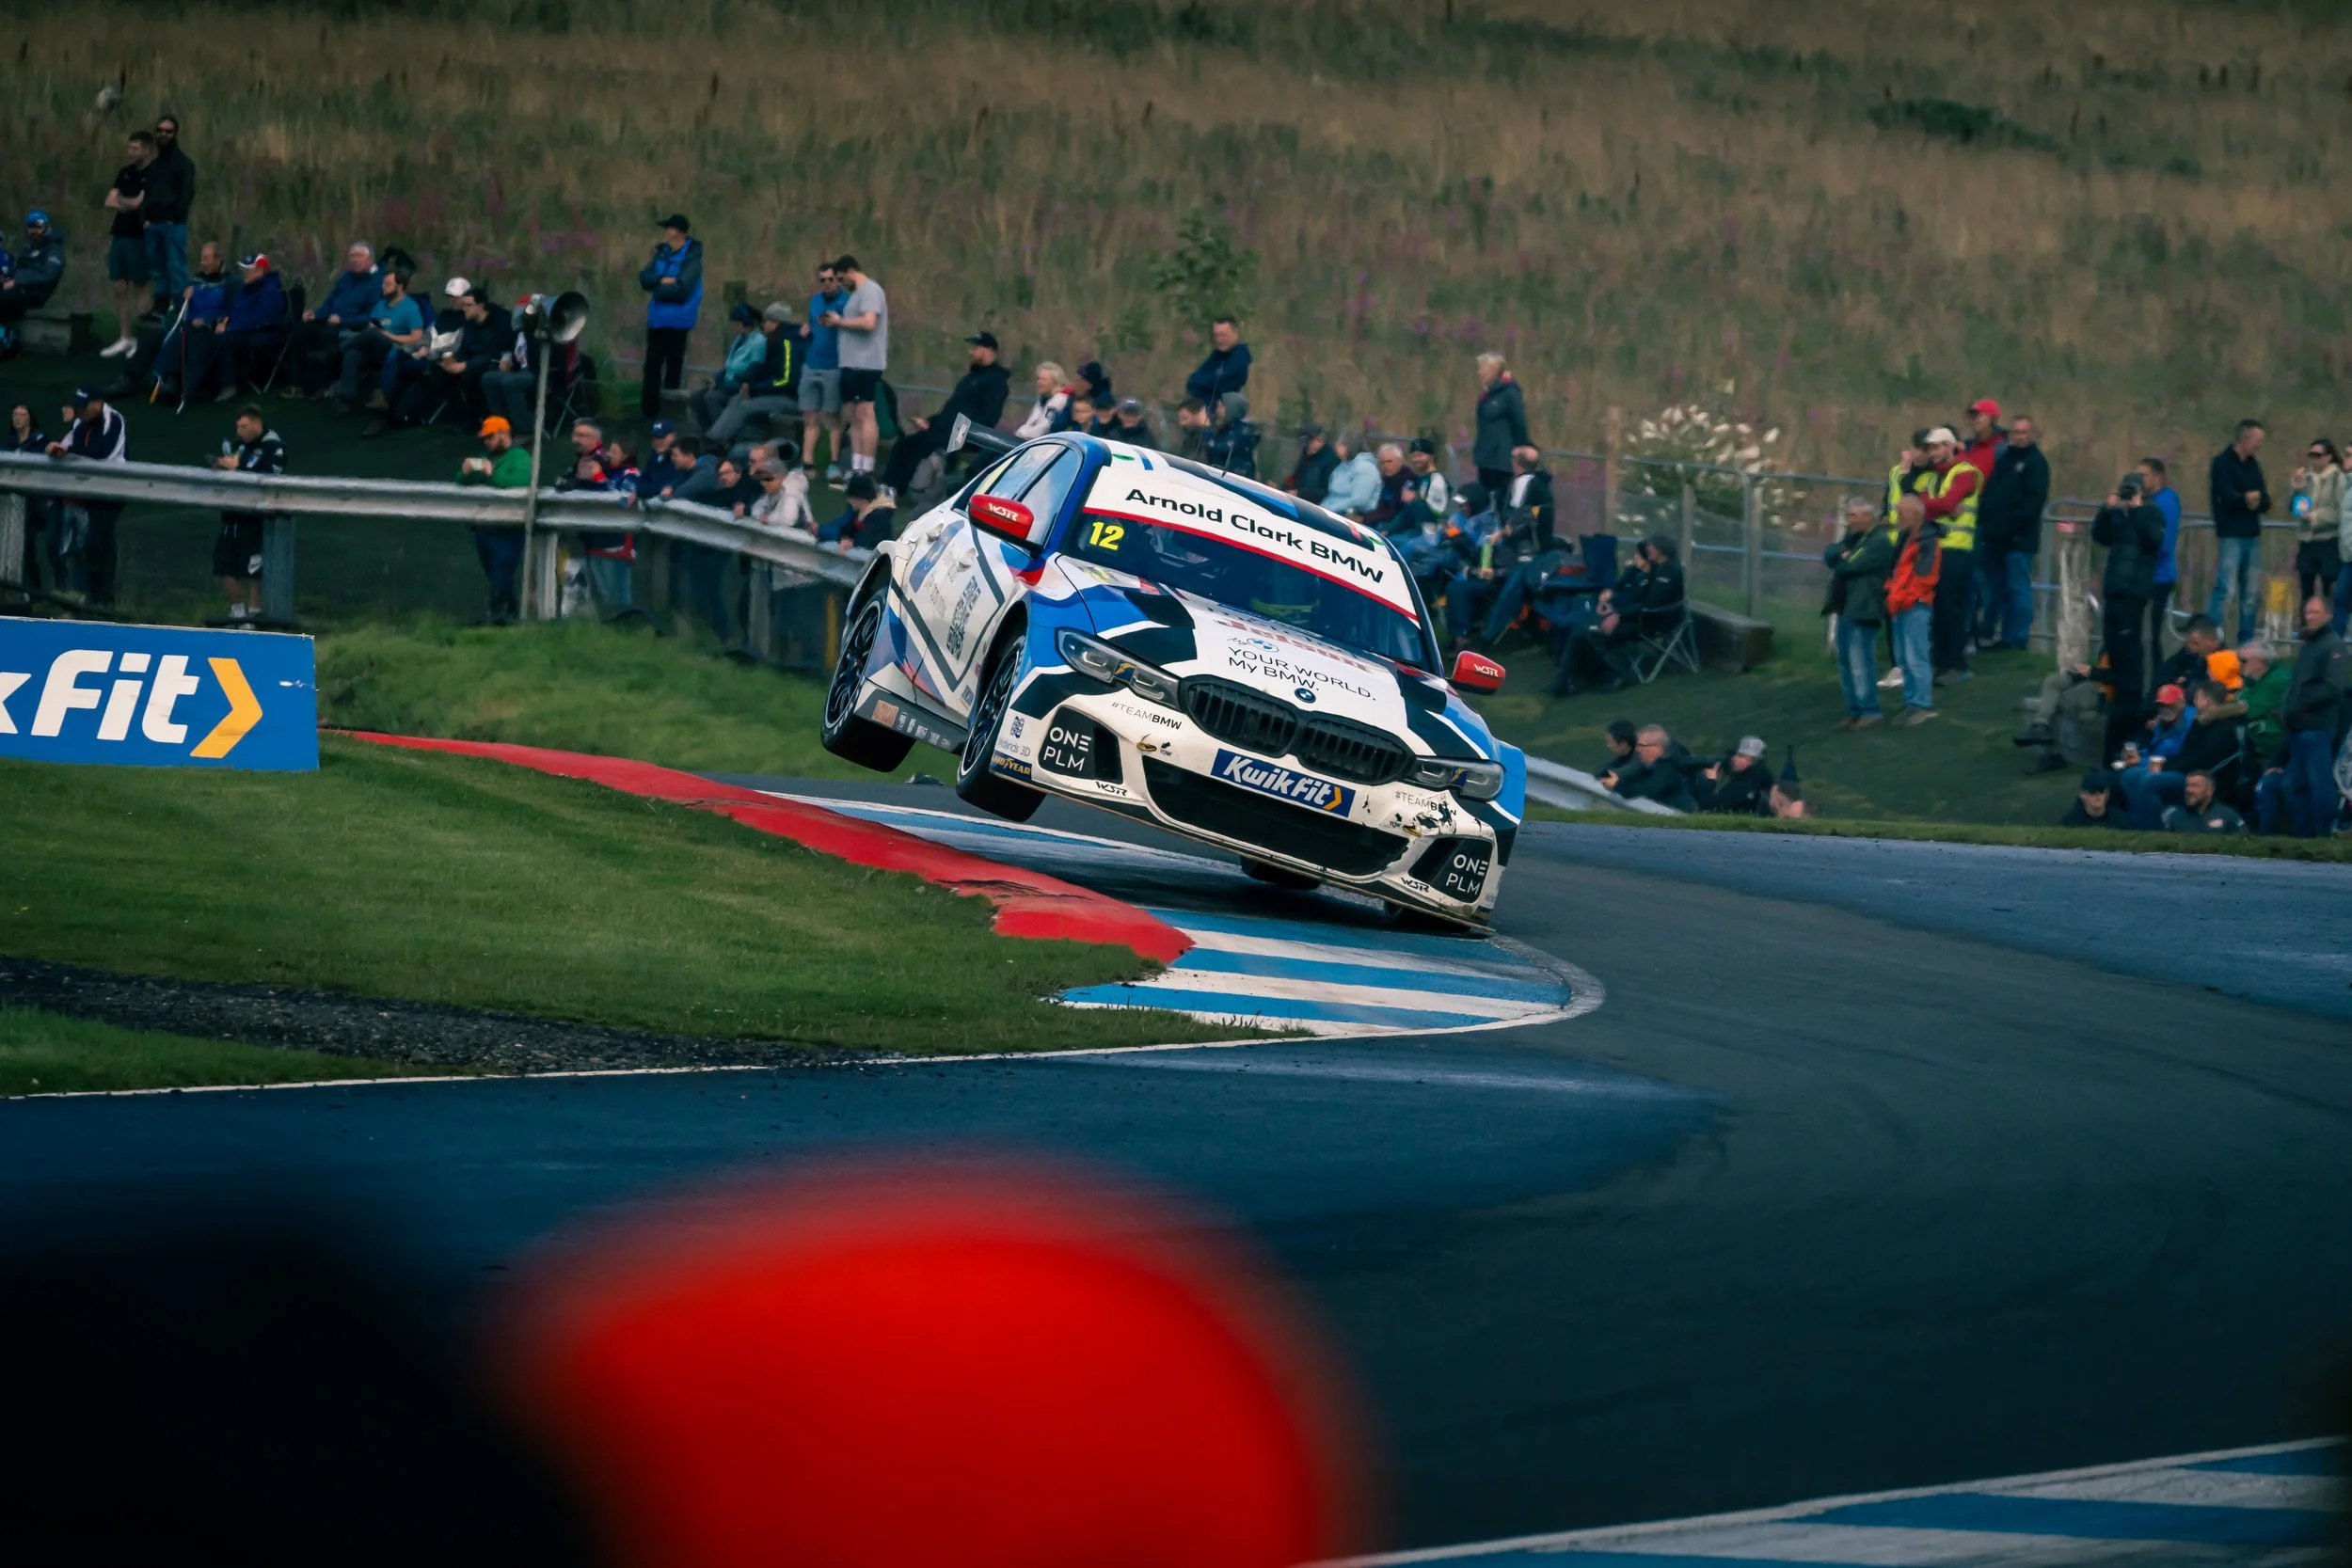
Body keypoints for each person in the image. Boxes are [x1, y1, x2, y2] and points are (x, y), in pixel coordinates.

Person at [882, 331, 1010, 497]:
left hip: (964, 435)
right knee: (904, 444)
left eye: (976, 348)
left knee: (925, 446)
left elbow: (990, 417)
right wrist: (930, 422)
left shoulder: (996, 382)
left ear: (989, 350)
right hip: (943, 429)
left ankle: (899, 489)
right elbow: (952, 409)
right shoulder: (970, 378)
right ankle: (886, 485)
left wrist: (964, 432)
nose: (971, 352)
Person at [2092, 470, 2166, 752]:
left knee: (2129, 648)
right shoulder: (2119, 516)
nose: (2128, 496)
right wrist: (2106, 510)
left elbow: (2154, 541)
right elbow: (2101, 536)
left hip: (2135, 591)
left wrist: (2137, 511)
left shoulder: (2151, 513)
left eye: (2131, 491)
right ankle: (2115, 694)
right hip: (2114, 588)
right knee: (2112, 645)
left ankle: (2130, 699)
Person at [1554, 535, 1684, 695]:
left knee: (1593, 631)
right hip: (1642, 616)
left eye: (1651, 546)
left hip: (1654, 621)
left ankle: (1624, 674)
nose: (1648, 549)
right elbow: (1641, 599)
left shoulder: (1669, 571)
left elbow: (1652, 605)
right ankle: (1569, 679)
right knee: (1583, 627)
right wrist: (1615, 611)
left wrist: (1619, 615)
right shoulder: (1659, 567)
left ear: (1661, 549)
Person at [2119, 678, 2245, 828]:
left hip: (2204, 777)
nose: (2194, 701)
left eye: (2198, 697)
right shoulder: (2200, 722)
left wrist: (2165, 767)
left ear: (2207, 700)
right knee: (2130, 776)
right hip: (2185, 770)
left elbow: (2201, 760)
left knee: (2149, 782)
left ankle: (2154, 828)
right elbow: (2186, 753)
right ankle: (2136, 826)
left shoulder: (2223, 728)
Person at [44, 387, 129, 606]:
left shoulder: (114, 420)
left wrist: (71, 453)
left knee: (99, 539)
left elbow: (104, 454)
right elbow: (69, 444)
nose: (78, 411)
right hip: (88, 489)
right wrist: (58, 450)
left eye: (83, 406)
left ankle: (104, 597)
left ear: (97, 403)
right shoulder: (80, 421)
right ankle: (91, 594)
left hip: (112, 491)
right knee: (85, 543)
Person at [1915, 426, 1983, 684]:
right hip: (1934, 547)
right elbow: (1925, 506)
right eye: (1930, 448)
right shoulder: (1930, 478)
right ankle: (1941, 662)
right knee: (1938, 608)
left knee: (1952, 608)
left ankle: (1956, 664)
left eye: (1937, 447)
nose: (1932, 453)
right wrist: (1937, 507)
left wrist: (1930, 506)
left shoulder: (1966, 473)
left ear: (1951, 446)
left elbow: (1939, 503)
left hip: (1956, 548)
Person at [1973, 412, 2047, 650]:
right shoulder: (2005, 458)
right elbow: (1992, 492)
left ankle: (2017, 639)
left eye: (2025, 432)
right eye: (2016, 432)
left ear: (2032, 434)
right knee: (1999, 589)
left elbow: (2033, 503)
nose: (2021, 437)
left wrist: (2011, 528)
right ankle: (2004, 636)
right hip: (1995, 538)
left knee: (2018, 590)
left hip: (2018, 539)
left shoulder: (2036, 463)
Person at [1823, 497, 1897, 728]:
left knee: (1860, 661)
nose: (1849, 521)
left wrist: (1842, 560)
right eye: (1848, 516)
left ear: (1868, 516)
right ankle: (1854, 710)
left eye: (1854, 516)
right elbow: (1830, 553)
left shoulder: (1879, 542)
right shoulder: (1854, 539)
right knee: (1845, 661)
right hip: (1847, 607)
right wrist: (1841, 556)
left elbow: (1852, 566)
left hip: (1865, 607)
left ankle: (1870, 709)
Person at [2279, 594, 2347, 837]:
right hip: (2298, 727)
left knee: (2319, 783)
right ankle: (2303, 834)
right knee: (2293, 784)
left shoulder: (2333, 645)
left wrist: (2302, 706)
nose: (2309, 617)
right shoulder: (2308, 645)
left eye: (2315, 612)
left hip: (2316, 726)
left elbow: (2333, 686)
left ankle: (2323, 833)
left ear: (2328, 615)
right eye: (2307, 612)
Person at [208, 404, 284, 623]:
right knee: (223, 562)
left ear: (257, 423)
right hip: (232, 513)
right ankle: (237, 610)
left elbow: (268, 479)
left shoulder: (274, 447)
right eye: (237, 426)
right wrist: (220, 465)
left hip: (254, 516)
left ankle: (254, 614)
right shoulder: (239, 445)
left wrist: (236, 470)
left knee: (253, 568)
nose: (239, 432)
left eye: (244, 426)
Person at [182, 253, 287, 405]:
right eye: (244, 269)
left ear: (260, 271)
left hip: (264, 333)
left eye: (250, 269)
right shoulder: (244, 290)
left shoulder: (270, 291)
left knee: (226, 340)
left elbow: (260, 319)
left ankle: (227, 385)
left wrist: (230, 328)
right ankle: (198, 385)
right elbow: (233, 312)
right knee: (209, 336)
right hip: (241, 330)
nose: (245, 273)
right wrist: (223, 322)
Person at [457, 416, 531, 621]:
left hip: (507, 528)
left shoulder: (520, 457)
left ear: (503, 434)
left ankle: (497, 616)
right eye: (485, 438)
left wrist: (491, 475)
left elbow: (521, 481)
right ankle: (511, 615)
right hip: (484, 527)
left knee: (501, 575)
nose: (487, 442)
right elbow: (459, 481)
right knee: (496, 576)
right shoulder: (487, 456)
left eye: (490, 437)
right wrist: (467, 473)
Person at [286, 242, 381, 398]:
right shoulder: (346, 278)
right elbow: (330, 303)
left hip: (352, 326)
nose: (355, 260)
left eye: (359, 256)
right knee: (299, 330)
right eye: (352, 256)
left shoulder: (377, 282)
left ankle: (322, 386)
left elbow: (373, 315)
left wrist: (343, 319)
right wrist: (315, 314)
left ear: (370, 259)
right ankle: (299, 384)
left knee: (327, 335)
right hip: (331, 320)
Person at [2206, 419, 2270, 643]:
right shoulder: (2222, 463)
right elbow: (2225, 497)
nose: (2260, 445)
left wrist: (2255, 501)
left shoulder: (2254, 465)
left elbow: (2265, 499)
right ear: (2244, 439)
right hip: (2231, 535)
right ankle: (2210, 637)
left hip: (2251, 535)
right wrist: (2246, 499)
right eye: (2257, 440)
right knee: (2226, 589)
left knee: (2251, 594)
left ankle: (2246, 642)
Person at [825, 254, 888, 477]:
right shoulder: (856, 295)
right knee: (852, 414)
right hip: (850, 363)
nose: (841, 285)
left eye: (841, 279)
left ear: (851, 271)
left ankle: (867, 467)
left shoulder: (870, 290)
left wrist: (840, 321)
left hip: (866, 363)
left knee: (865, 413)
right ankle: (856, 465)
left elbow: (869, 322)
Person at [705, 302, 799, 450]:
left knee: (745, 405)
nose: (763, 325)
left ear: (775, 322)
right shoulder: (774, 341)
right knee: (738, 398)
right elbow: (764, 369)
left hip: (790, 398)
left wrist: (756, 389)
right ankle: (717, 438)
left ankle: (716, 441)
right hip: (777, 393)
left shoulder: (787, 343)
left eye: (766, 321)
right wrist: (749, 381)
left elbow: (786, 379)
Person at [1883, 493, 1942, 725]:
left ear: (1914, 515)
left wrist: (1906, 596)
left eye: (1901, 513)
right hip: (1899, 604)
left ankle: (1921, 703)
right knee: (1904, 658)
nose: (1898, 517)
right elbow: (1897, 571)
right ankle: (1910, 702)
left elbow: (1925, 576)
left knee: (1916, 656)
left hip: (1914, 605)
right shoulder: (1906, 537)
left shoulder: (1927, 541)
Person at [638, 214, 703, 420]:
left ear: (678, 231)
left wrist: (657, 290)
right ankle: (648, 414)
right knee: (651, 368)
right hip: (657, 320)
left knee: (673, 369)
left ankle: (669, 415)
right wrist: (661, 280)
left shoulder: (692, 259)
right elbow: (644, 277)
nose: (665, 232)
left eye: (668, 228)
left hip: (678, 322)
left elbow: (682, 289)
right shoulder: (661, 254)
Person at [335, 266, 423, 414]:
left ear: (400, 286)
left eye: (387, 284)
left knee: (372, 334)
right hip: (373, 348)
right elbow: (370, 329)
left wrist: (386, 335)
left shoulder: (411, 308)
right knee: (353, 354)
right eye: (383, 283)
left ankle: (338, 349)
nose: (383, 287)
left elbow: (417, 338)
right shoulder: (380, 305)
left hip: (394, 349)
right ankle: (346, 399)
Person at [99, 131, 155, 356]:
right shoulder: (125, 173)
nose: (130, 152)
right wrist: (125, 202)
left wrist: (123, 202)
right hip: (120, 234)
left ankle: (146, 339)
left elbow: (138, 204)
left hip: (138, 237)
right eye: (129, 147)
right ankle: (125, 337)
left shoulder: (154, 174)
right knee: (119, 287)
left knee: (139, 287)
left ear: (147, 149)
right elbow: (109, 201)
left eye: (135, 148)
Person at [140, 113, 195, 312]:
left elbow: (187, 194)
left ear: (175, 134)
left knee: (176, 268)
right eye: (160, 130)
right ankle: (160, 308)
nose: (164, 134)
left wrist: (175, 218)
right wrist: (144, 219)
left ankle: (182, 309)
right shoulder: (154, 166)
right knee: (158, 270)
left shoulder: (183, 164)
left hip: (172, 225)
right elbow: (146, 194)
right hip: (152, 225)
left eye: (168, 131)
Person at [799, 261, 847, 482]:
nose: (827, 284)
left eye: (830, 279)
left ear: (838, 279)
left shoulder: (847, 302)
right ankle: (807, 462)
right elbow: (811, 324)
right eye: (823, 280)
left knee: (831, 416)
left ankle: (834, 462)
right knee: (809, 415)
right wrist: (805, 331)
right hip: (812, 363)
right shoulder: (815, 300)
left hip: (833, 365)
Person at [691, 301, 767, 433]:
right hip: (727, 383)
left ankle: (723, 433)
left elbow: (755, 368)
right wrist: (717, 380)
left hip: (740, 385)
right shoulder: (739, 339)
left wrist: (720, 386)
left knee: (712, 398)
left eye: (735, 323)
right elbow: (729, 365)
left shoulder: (758, 341)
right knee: (697, 397)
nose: (732, 327)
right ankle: (707, 432)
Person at [2287, 436, 2344, 610]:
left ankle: (2328, 628)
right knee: (2306, 587)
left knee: (2329, 588)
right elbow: (2294, 507)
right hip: (2307, 540)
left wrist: (2315, 517)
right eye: (2311, 454)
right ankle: (2306, 627)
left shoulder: (2338, 478)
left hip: (2328, 540)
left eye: (2318, 455)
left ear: (2328, 457)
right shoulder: (2307, 478)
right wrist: (2297, 487)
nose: (2314, 458)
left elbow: (2339, 511)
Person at [2137, 456, 2183, 667]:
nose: (2139, 480)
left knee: (2150, 634)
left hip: (2158, 576)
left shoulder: (2166, 502)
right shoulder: (2146, 501)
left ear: (2157, 477)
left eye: (2143, 475)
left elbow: (2164, 541)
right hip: (2145, 575)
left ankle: (2153, 679)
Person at [0, 211, 67, 340]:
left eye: (38, 227)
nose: (34, 231)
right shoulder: (30, 246)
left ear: (46, 227)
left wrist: (17, 281)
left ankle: (9, 339)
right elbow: (20, 265)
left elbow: (49, 274)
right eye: (31, 227)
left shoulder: (54, 250)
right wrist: (7, 277)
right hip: (20, 289)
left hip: (36, 293)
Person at [1597, 725, 1696, 810]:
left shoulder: (1670, 767)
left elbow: (1649, 792)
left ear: (1657, 748)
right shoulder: (1649, 765)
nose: (1637, 750)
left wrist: (1617, 785)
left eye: (1641, 746)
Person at [1471, 355, 1528, 496]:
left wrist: (1520, 447)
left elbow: (1519, 422)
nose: (1479, 372)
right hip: (1485, 457)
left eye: (1482, 368)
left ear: (1494, 370)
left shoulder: (1510, 393)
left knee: (1501, 498)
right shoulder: (1487, 393)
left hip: (1500, 459)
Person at [1184, 316, 1250, 413]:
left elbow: (1222, 381)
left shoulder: (1241, 355)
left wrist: (1204, 383)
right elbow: (1193, 380)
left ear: (1235, 334)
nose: (1219, 340)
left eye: (1223, 335)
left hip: (1224, 410)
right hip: (1203, 405)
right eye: (1216, 336)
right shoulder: (1217, 355)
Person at [1696, 736, 1774, 816]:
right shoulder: (1762, 778)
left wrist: (1709, 781)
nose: (1734, 758)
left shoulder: (1743, 784)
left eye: (1740, 755)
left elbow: (1707, 806)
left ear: (1751, 760)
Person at [2161, 771, 2244, 834]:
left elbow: (2244, 840)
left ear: (2209, 791)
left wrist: (2228, 826)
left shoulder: (2228, 815)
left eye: (2195, 786)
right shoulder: (2173, 815)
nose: (2188, 790)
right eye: (2187, 786)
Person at [750, 455, 814, 534]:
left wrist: (769, 518)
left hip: (801, 537)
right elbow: (755, 510)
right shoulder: (772, 491)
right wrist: (764, 517)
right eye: (763, 479)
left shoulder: (792, 492)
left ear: (782, 477)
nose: (764, 483)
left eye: (769, 479)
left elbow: (788, 520)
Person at [1322, 437, 1378, 517]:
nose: (1336, 446)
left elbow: (1360, 500)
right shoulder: (1342, 466)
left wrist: (1331, 509)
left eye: (1340, 444)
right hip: (1330, 511)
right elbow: (1332, 494)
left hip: (1348, 516)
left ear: (1349, 446)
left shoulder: (1366, 468)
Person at [1015, 361, 1073, 439]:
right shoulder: (1043, 398)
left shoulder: (1059, 399)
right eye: (1038, 379)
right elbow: (1031, 423)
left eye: (1043, 380)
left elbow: (1044, 427)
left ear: (1055, 382)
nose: (1039, 382)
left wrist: (1024, 435)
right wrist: (1020, 433)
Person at [1285, 423, 1338, 504]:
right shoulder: (1307, 454)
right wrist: (1282, 488)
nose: (1307, 448)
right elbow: (1296, 477)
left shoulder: (1330, 460)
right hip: (1298, 500)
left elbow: (1327, 491)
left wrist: (1300, 494)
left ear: (1318, 440)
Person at [2060, 771, 2130, 831]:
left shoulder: (2119, 820)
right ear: (2083, 795)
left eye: (2101, 791)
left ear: (2107, 794)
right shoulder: (2071, 822)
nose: (2098, 795)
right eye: (2093, 792)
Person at [1405, 438, 1451, 520]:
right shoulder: (1417, 479)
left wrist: (1415, 498)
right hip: (1412, 528)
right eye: (1413, 456)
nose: (1416, 459)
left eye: (1420, 455)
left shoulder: (1437, 479)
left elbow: (1437, 511)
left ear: (1431, 457)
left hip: (1430, 530)